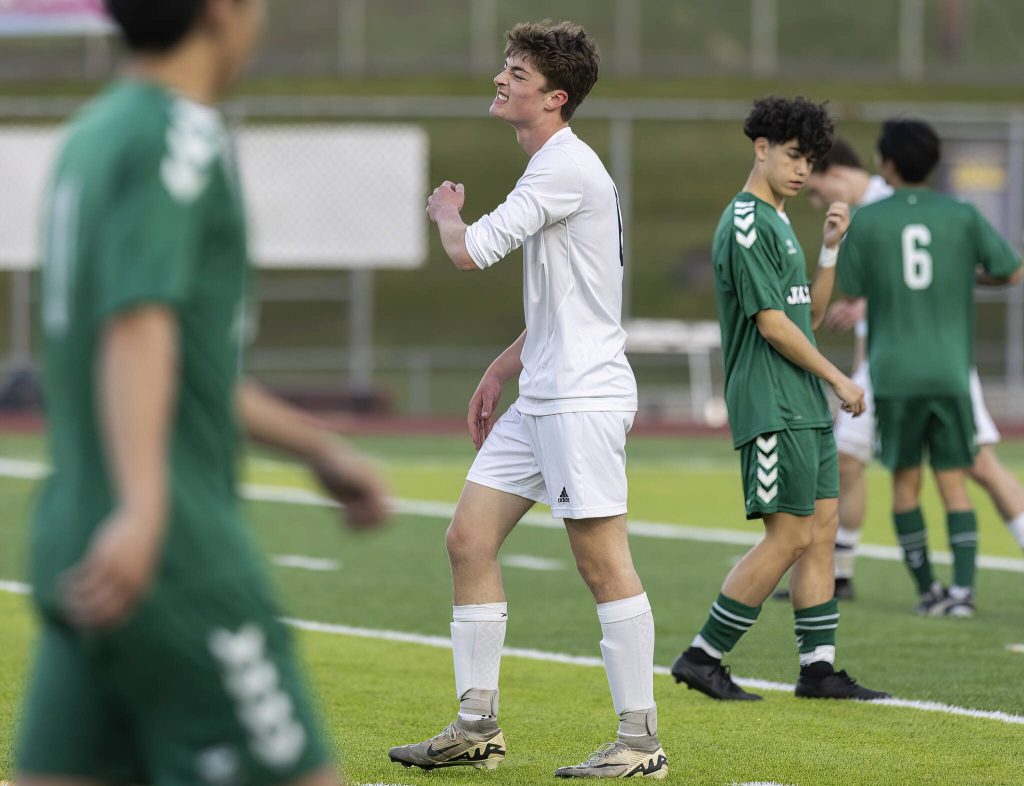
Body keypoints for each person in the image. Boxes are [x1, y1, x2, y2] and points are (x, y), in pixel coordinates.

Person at [15, 2, 391, 785]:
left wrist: (316, 446)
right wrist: (146, 505)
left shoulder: (93, 134)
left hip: (75, 540)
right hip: (172, 555)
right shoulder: (178, 135)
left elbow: (173, 362)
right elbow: (139, 325)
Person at [387, 21, 667, 780]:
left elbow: (472, 249)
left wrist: (446, 211)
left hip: (580, 399)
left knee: (602, 564)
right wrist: (502, 366)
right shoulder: (557, 166)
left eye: (516, 72)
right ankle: (476, 725)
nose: (501, 79)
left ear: (555, 98)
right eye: (505, 67)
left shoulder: (562, 168)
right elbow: (569, 297)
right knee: (468, 541)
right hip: (543, 391)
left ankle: (640, 742)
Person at [670, 97, 889, 703]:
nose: (802, 171)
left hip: (802, 403)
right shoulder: (745, 221)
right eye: (794, 156)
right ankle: (703, 656)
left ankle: (817, 670)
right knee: (789, 535)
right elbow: (771, 324)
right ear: (760, 147)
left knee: (821, 530)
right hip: (772, 402)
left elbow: (808, 315)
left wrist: (829, 250)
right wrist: (839, 380)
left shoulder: (781, 221)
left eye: (810, 161)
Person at [786, 139, 1024, 603]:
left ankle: (919, 586)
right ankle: (846, 571)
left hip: (899, 363)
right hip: (931, 361)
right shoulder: (955, 211)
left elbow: (865, 290)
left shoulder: (873, 215)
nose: (817, 202)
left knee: (955, 470)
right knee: (853, 458)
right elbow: (1005, 269)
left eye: (816, 192)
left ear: (882, 165)